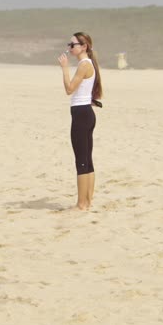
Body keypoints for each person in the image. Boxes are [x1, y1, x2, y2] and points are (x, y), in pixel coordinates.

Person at [58, 32, 103, 211]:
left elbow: (69, 89)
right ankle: (87, 200)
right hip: (85, 113)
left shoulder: (84, 65)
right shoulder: (88, 64)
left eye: (73, 44)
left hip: (82, 114)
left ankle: (82, 204)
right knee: (87, 158)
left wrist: (64, 68)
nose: (70, 47)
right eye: (69, 44)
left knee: (81, 160)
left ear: (84, 47)